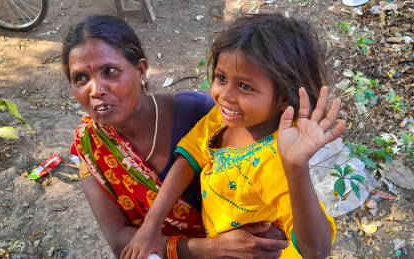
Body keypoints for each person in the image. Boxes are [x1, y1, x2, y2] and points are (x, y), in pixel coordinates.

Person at [64, 15, 290, 258]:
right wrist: (211, 249)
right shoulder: (90, 145)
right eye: (81, 79)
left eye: (110, 71)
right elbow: (121, 243)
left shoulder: (201, 113)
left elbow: (269, 184)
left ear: (141, 70)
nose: (96, 90)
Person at [122, 13, 342, 259]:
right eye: (222, 78)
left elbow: (318, 250)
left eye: (245, 86)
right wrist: (151, 225)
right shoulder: (222, 118)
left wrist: (296, 168)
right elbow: (191, 156)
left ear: (284, 97)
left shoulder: (276, 162)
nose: (224, 95)